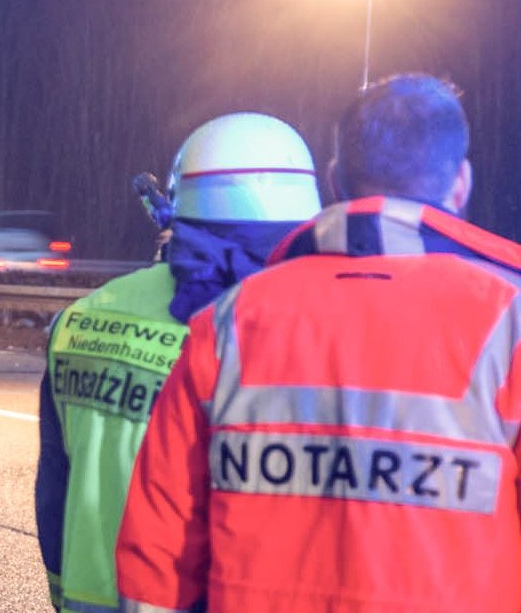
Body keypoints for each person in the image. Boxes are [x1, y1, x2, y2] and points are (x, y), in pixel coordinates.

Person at [115, 72, 521, 612]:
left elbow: (156, 563)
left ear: (334, 182)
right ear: (461, 183)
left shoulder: (228, 324)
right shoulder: (508, 326)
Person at [35, 112, 322, 613]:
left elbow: (55, 486)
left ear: (177, 204)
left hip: (92, 599)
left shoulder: (79, 321)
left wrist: (62, 593)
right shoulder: (307, 327)